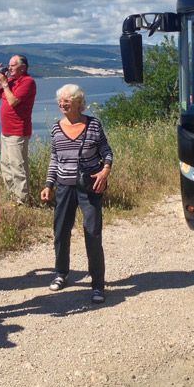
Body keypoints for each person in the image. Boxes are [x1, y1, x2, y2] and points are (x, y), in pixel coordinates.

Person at [40, 84, 113, 304]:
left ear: (78, 103)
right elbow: (54, 158)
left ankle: (98, 284)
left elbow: (107, 152)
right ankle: (61, 273)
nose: (62, 105)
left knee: (92, 232)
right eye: (60, 101)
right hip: (64, 186)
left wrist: (105, 172)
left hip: (89, 186)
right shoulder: (55, 128)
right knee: (61, 232)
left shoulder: (93, 125)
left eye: (67, 101)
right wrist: (48, 184)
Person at [0, 55, 36, 205]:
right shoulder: (9, 81)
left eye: (12, 66)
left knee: (18, 167)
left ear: (23, 67)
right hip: (6, 131)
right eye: (8, 66)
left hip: (18, 131)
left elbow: (13, 101)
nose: (9, 68)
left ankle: (23, 201)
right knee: (6, 166)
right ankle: (13, 197)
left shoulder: (28, 82)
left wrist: (5, 84)